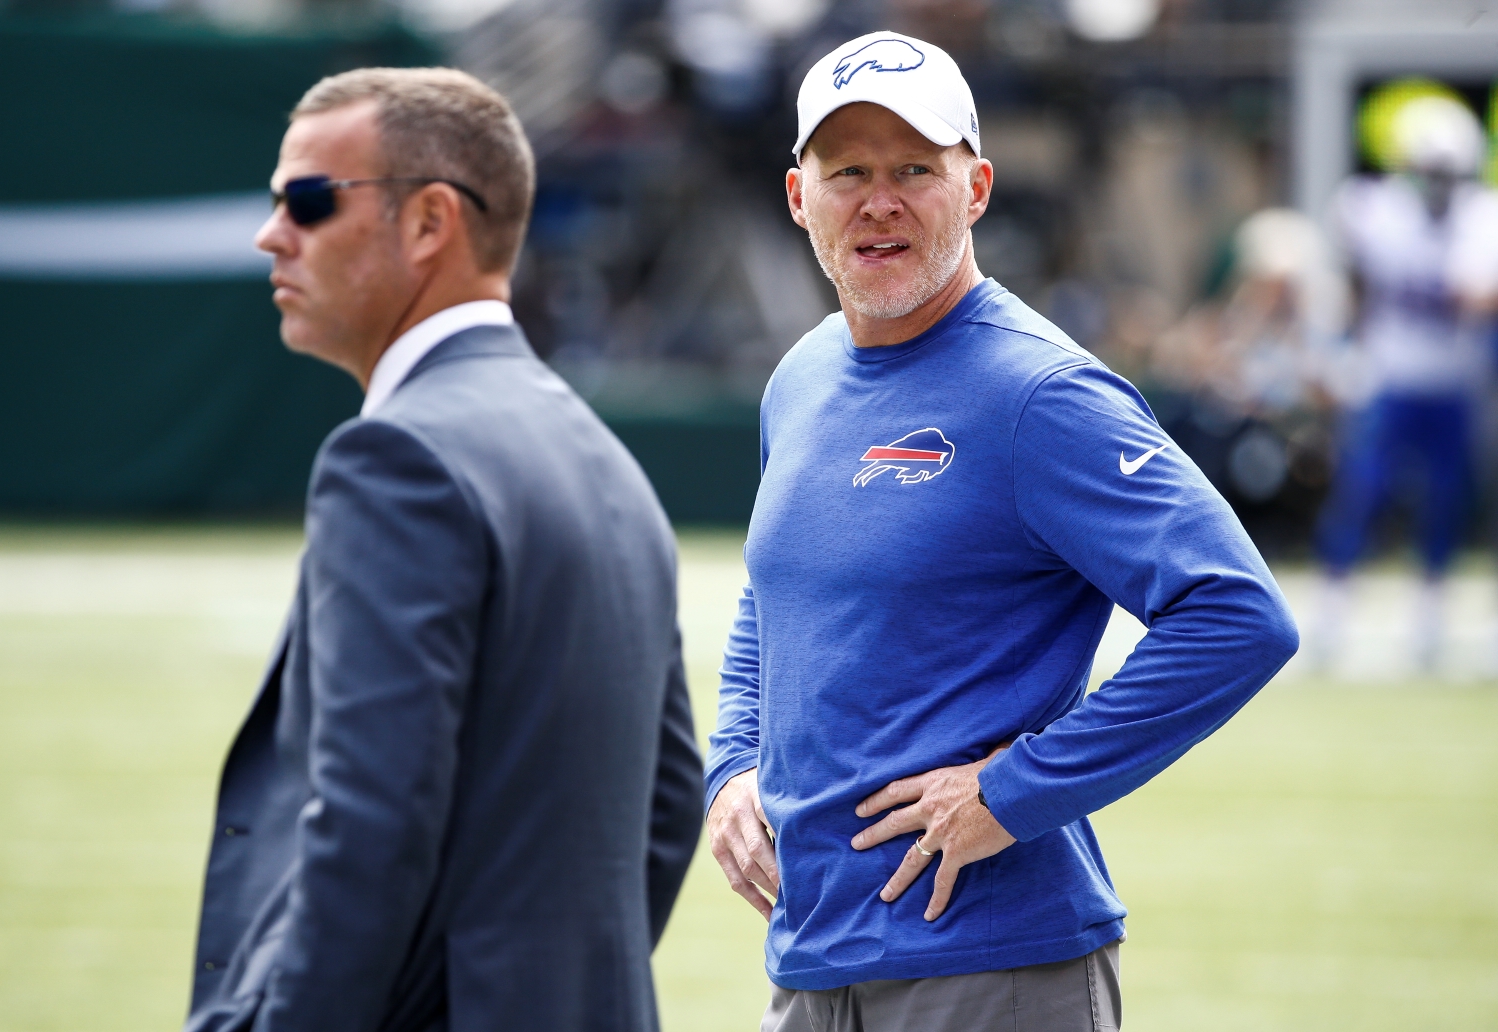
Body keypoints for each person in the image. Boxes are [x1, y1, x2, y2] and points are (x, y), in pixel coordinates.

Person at [704, 32, 1299, 1031]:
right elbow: (774, 590)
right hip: (812, 961)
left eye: (914, 171)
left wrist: (1013, 791)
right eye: (847, 171)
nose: (878, 200)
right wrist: (731, 768)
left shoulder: (1040, 394)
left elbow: (1238, 615)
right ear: (800, 196)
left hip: (992, 973)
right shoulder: (799, 376)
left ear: (975, 188)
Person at [184, 68, 703, 1032]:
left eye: (306, 199)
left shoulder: (395, 458)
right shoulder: (605, 457)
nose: (272, 233)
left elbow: (370, 826)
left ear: (429, 223)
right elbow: (667, 811)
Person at [1313, 92, 1498, 671]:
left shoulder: (1481, 215)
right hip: (1388, 374)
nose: (1437, 184)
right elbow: (1346, 287)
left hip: (1453, 380)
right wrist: (1337, 351)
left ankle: (1429, 616)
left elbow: (1477, 297)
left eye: (1445, 172)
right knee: (1362, 491)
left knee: (1446, 499)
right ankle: (1333, 607)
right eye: (1427, 171)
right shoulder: (1371, 207)